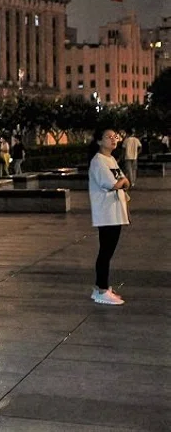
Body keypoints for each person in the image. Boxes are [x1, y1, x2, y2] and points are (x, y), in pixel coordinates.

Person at [87, 129, 131, 305]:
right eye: (109, 137)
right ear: (99, 141)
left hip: (115, 212)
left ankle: (101, 287)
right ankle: (101, 289)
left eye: (115, 137)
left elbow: (125, 182)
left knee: (108, 252)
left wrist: (122, 183)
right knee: (105, 252)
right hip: (106, 213)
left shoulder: (111, 160)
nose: (114, 140)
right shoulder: (98, 161)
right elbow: (113, 184)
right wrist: (121, 183)